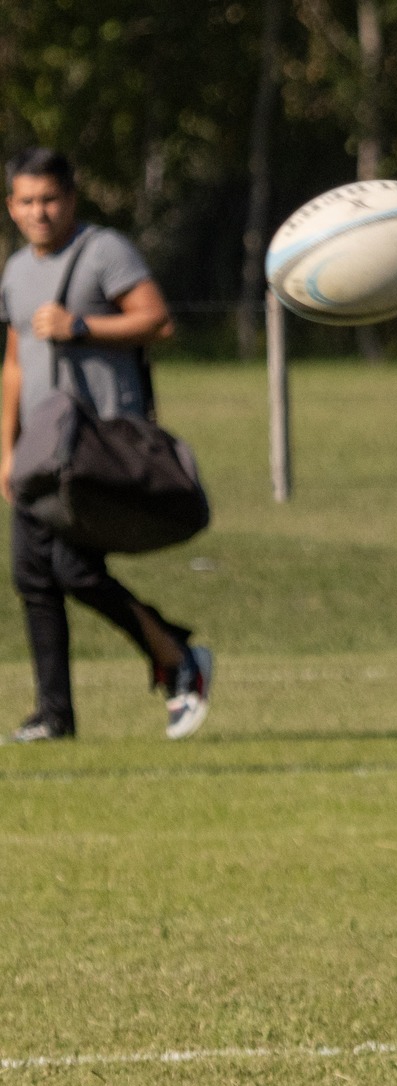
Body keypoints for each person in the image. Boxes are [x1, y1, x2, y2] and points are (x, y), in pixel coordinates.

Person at [0, 148, 211, 742]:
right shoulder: (16, 271)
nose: (40, 212)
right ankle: (53, 716)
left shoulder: (105, 251)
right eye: (27, 201)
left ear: (71, 199)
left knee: (72, 568)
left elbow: (158, 321)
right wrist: (6, 449)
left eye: (50, 199)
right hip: (40, 449)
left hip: (97, 443)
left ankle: (175, 654)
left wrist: (82, 326)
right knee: (33, 576)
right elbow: (15, 362)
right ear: (11, 206)